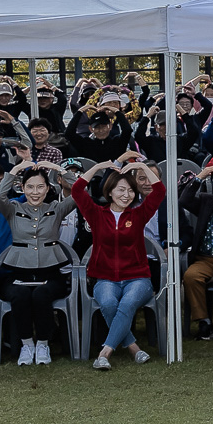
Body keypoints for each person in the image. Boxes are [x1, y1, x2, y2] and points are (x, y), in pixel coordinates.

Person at [73, 156, 167, 369]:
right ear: (110, 192)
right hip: (105, 278)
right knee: (108, 303)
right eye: (121, 190)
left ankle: (105, 352)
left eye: (130, 191)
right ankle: (134, 348)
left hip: (138, 278)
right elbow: (78, 190)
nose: (126, 195)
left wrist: (142, 166)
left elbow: (159, 191)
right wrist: (97, 166)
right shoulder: (96, 214)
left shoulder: (139, 213)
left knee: (126, 303)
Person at [0, 159, 79, 366]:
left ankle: (42, 344)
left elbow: (79, 193)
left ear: (48, 188)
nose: (35, 192)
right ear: (22, 187)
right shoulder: (13, 208)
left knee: (41, 295)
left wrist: (59, 169)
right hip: (18, 271)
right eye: (30, 187)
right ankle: (26, 344)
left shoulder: (56, 208)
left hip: (50, 272)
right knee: (20, 295)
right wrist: (14, 170)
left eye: (40, 186)